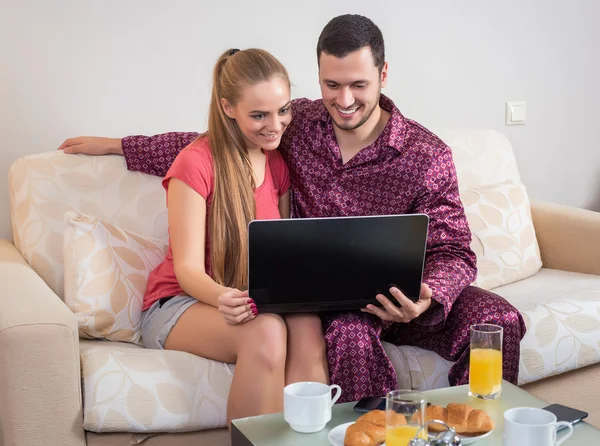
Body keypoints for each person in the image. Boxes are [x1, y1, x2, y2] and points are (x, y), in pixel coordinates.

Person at [59, 15, 526, 403]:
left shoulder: (427, 155)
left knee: (497, 320)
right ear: (318, 76)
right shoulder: (295, 122)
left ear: (384, 76)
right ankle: (365, 434)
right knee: (346, 334)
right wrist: (119, 145)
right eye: (332, 84)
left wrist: (426, 295)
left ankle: (478, 430)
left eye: (359, 85)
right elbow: (214, 143)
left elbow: (456, 252)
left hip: (410, 300)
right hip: (342, 308)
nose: (344, 101)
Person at [113, 48, 329, 423]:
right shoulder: (195, 163)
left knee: (307, 324)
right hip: (179, 303)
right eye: (259, 115)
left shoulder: (275, 162)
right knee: (267, 333)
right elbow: (188, 270)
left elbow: (277, 256)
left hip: (247, 295)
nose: (275, 125)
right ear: (228, 107)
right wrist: (223, 297)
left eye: (283, 110)